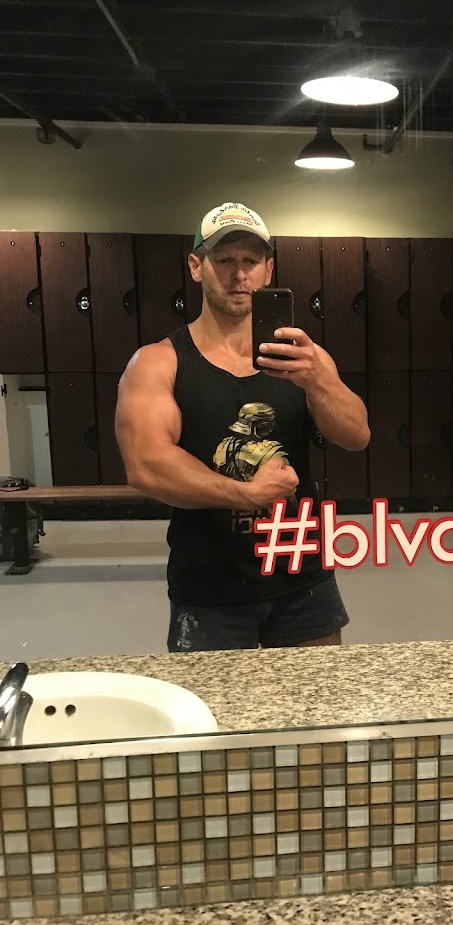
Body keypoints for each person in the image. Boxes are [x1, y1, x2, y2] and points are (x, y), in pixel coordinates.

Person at [115, 202, 370, 652]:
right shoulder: (158, 362)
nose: (239, 275)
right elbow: (146, 464)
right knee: (212, 700)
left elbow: (357, 435)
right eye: (224, 260)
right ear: (197, 267)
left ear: (268, 270)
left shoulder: (305, 359)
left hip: (303, 574)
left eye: (251, 261)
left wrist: (316, 381)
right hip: (208, 584)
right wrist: (245, 494)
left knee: (318, 695)